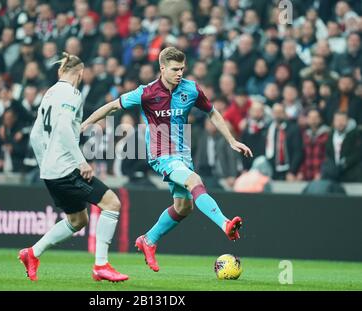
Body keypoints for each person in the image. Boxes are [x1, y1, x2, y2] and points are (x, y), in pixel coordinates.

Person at [81, 47, 252, 272]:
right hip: (161, 154)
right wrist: (86, 124)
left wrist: (231, 140)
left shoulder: (191, 90)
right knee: (194, 181)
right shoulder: (147, 93)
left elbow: (212, 112)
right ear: (162, 68)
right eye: (174, 69)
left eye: (182, 68)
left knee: (183, 207)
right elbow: (112, 106)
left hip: (183, 155)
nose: (179, 73)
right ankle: (225, 224)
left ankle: (148, 240)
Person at [18, 52, 128, 282]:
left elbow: (37, 134)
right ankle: (101, 265)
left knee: (78, 221)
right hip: (67, 168)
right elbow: (64, 129)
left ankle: (32, 253)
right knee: (112, 204)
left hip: (50, 169)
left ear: (60, 72)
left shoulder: (49, 94)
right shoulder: (73, 94)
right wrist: (80, 160)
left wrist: (44, 163)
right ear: (80, 73)